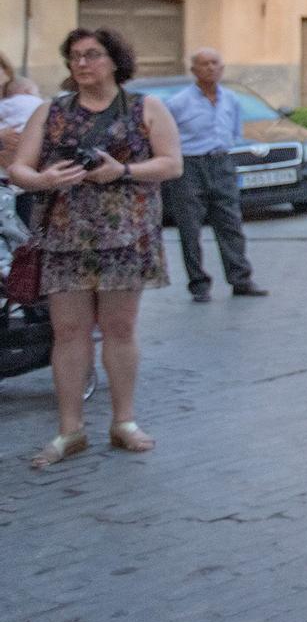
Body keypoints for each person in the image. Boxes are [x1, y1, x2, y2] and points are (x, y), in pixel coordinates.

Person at [10, 28, 183, 469]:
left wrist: (121, 170)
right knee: (68, 333)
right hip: (65, 236)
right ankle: (71, 430)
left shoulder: (146, 107)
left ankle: (123, 422)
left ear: (114, 60)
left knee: (120, 330)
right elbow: (18, 169)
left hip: (126, 235)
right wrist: (45, 180)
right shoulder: (51, 112)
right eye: (74, 57)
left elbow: (172, 164)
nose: (82, 64)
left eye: (92, 55)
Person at [161, 49, 267, 302]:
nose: (210, 68)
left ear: (222, 67)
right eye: (204, 64)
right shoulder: (178, 103)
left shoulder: (231, 99)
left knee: (231, 223)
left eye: (215, 63)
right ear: (194, 70)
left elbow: (233, 132)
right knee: (190, 227)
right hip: (190, 167)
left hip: (221, 163)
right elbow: (167, 136)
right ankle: (198, 283)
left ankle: (240, 279)